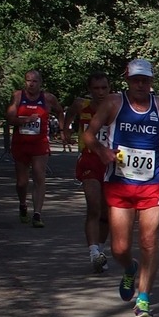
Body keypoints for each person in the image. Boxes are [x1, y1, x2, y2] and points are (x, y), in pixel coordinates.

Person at [83, 59, 159, 317]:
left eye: (145, 80)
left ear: (151, 82)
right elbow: (89, 135)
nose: (140, 84)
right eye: (136, 79)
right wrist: (102, 151)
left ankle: (144, 298)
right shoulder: (113, 103)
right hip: (120, 182)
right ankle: (129, 268)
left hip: (152, 182)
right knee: (119, 248)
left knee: (149, 241)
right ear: (127, 80)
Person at [64, 72, 112, 274]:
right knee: (93, 206)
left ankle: (100, 250)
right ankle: (93, 252)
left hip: (111, 163)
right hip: (90, 159)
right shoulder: (81, 105)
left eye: (104, 88)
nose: (100, 92)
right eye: (96, 88)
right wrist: (65, 130)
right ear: (90, 90)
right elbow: (69, 116)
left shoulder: (116, 106)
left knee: (106, 213)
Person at [6, 70, 64, 228]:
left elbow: (60, 112)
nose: (31, 84)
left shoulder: (48, 98)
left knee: (39, 176)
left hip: (39, 143)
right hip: (21, 143)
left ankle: (37, 214)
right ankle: (23, 204)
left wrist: (62, 130)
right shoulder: (18, 96)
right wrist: (26, 119)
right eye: (28, 81)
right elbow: (10, 119)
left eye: (34, 81)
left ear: (40, 83)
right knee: (21, 182)